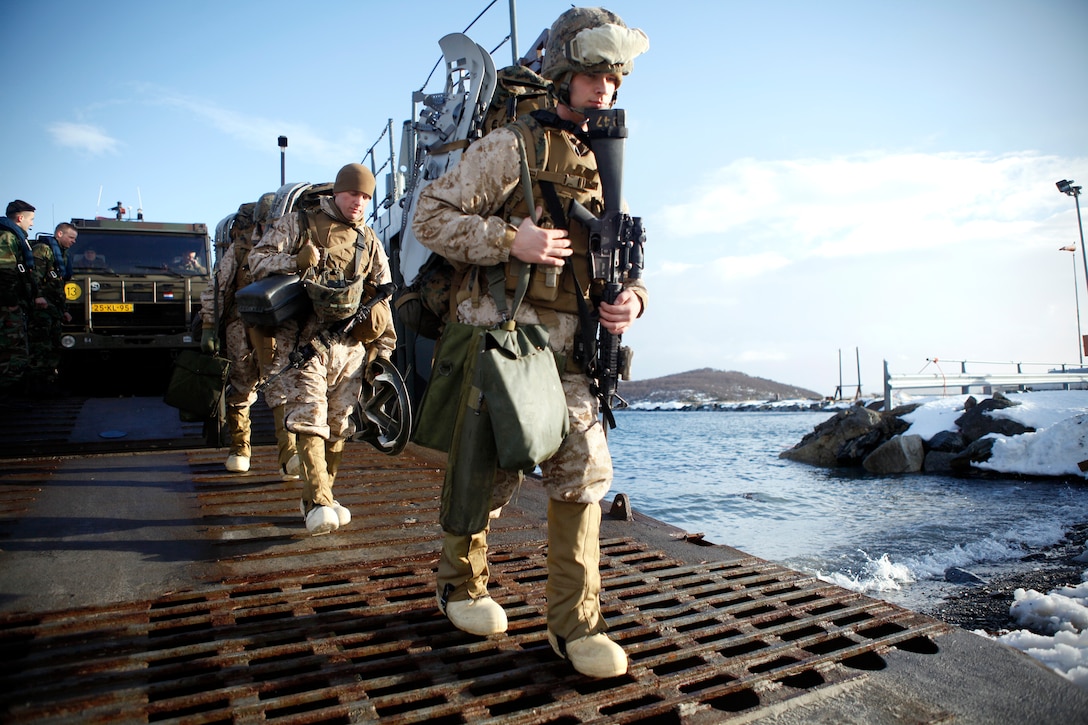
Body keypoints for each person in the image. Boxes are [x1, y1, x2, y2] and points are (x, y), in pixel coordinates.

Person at [411, 7, 649, 679]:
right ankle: (460, 581)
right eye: (594, 73)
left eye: (614, 75)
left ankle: (575, 624)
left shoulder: (606, 160)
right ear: (565, 74)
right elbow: (431, 213)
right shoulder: (512, 146)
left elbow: (622, 262)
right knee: (488, 476)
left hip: (574, 355)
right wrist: (506, 238)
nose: (605, 85)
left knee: (584, 479)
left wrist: (632, 300)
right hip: (506, 342)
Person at [249, 164, 396, 535]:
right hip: (305, 343)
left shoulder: (369, 239)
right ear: (337, 193)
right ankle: (318, 501)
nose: (359, 203)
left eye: (366, 197)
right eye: (353, 195)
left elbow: (382, 296)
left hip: (350, 347)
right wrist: (294, 261)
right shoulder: (300, 224)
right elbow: (256, 261)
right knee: (310, 419)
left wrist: (384, 349)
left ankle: (322, 495)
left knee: (339, 425)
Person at [200, 202, 301, 478]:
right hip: (241, 327)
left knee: (279, 387)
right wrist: (209, 326)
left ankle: (288, 455)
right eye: (268, 223)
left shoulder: (289, 242)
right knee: (242, 386)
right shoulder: (242, 247)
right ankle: (240, 448)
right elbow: (217, 286)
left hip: (277, 327)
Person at [0, 200, 46, 397]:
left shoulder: (13, 238)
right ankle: (9, 395)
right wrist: (10, 302)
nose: (32, 224)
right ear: (20, 218)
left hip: (15, 303)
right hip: (7, 306)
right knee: (12, 351)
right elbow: (4, 272)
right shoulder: (7, 238)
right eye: (31, 219)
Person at [27, 222, 77, 391]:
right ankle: (35, 384)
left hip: (54, 309)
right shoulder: (43, 250)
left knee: (54, 347)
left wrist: (64, 311)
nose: (73, 241)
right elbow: (34, 277)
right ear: (59, 234)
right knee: (40, 346)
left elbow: (58, 287)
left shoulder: (62, 256)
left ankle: (49, 382)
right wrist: (38, 296)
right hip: (42, 309)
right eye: (71, 237)